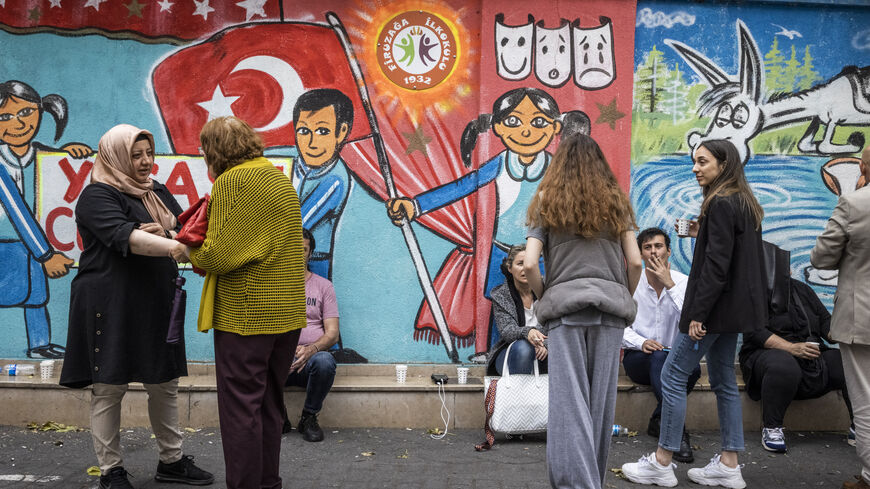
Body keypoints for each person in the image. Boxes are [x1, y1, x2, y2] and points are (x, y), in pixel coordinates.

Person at [59, 124, 212, 489]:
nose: (145, 163)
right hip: (109, 302)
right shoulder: (97, 196)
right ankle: (111, 471)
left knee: (164, 382)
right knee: (109, 387)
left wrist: (171, 236)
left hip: (156, 300)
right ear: (115, 156)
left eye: (149, 153)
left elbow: (184, 229)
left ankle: (171, 462)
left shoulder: (155, 191)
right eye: (136, 155)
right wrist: (172, 244)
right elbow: (125, 237)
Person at [386, 88, 589, 356]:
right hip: (500, 252)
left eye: (538, 122)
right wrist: (416, 205)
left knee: (546, 303)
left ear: (554, 127)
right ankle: (493, 355)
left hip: (543, 253)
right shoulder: (499, 164)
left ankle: (551, 355)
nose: (526, 131)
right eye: (514, 122)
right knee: (496, 302)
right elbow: (463, 186)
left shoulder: (556, 169)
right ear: (499, 129)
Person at [622, 139, 766, 489]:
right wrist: (703, 233)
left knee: (672, 376)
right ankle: (729, 465)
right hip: (733, 311)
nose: (695, 168)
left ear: (723, 164)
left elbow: (716, 267)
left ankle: (661, 461)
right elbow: (733, 259)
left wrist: (697, 314)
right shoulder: (744, 203)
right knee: (723, 381)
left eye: (702, 161)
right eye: (694, 161)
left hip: (712, 311)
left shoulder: (718, 204)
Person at [170, 116, 306, 489]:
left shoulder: (232, 182)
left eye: (204, 150)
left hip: (247, 314)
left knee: (240, 409)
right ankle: (267, 483)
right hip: (287, 314)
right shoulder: (277, 178)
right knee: (268, 404)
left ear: (215, 151)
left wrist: (184, 249)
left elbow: (220, 255)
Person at [523, 133, 642, 489]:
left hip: (565, 314)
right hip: (609, 314)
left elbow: (529, 264)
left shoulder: (546, 200)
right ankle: (593, 481)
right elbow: (635, 261)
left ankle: (578, 485)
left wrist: (547, 297)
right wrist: (622, 293)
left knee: (568, 406)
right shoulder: (616, 202)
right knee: (600, 407)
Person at [0, 80, 91, 359]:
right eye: (5, 117)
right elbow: (18, 211)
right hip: (10, 241)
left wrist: (70, 153)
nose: (17, 123)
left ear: (41, 112)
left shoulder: (42, 155)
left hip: (31, 245)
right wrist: (46, 255)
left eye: (26, 113)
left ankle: (40, 343)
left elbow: (60, 175)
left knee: (36, 295)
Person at [811, 145, 870, 489]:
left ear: (863, 167)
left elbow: (821, 257)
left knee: (864, 399)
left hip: (860, 317)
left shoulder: (854, 203)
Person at [740, 276, 854, 453]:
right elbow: (755, 333)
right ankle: (772, 428)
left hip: (810, 354)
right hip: (767, 354)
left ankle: (860, 428)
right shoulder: (753, 292)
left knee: (848, 364)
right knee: (783, 365)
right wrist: (791, 348)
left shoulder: (802, 289)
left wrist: (839, 331)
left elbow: (824, 320)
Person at [622, 227, 701, 463]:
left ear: (668, 250)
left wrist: (670, 286)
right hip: (639, 359)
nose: (653, 251)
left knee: (690, 368)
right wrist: (641, 341)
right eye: (647, 247)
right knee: (658, 357)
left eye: (658, 246)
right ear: (640, 253)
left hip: (676, 358)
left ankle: (660, 420)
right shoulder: (630, 284)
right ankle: (677, 433)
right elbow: (617, 326)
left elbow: (692, 324)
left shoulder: (683, 283)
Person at [280, 228, 340, 443]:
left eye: (303, 250)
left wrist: (311, 349)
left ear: (310, 253)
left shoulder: (324, 287)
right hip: (280, 361)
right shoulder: (274, 285)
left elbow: (332, 333)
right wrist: (284, 350)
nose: (298, 254)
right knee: (258, 359)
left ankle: (309, 417)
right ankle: (279, 417)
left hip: (311, 362)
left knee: (325, 361)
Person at [291, 88, 354, 280]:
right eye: (303, 131)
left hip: (312, 267)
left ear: (341, 132)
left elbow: (296, 226)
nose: (311, 142)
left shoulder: (335, 178)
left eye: (322, 131)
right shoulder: (284, 160)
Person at [485, 244, 548, 377]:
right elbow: (507, 331)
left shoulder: (547, 292)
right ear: (510, 268)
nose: (525, 268)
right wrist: (528, 332)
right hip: (512, 352)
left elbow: (556, 326)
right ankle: (520, 397)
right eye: (520, 263)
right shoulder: (502, 295)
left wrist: (544, 344)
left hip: (545, 352)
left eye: (529, 264)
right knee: (524, 348)